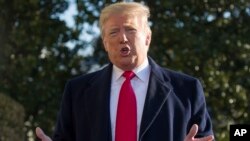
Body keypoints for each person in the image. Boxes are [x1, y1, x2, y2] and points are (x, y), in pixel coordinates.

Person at [36, 1, 215, 141]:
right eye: (113, 33)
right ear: (105, 43)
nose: (123, 38)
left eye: (130, 30)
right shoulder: (77, 91)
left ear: (147, 38)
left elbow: (205, 138)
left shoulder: (187, 90)